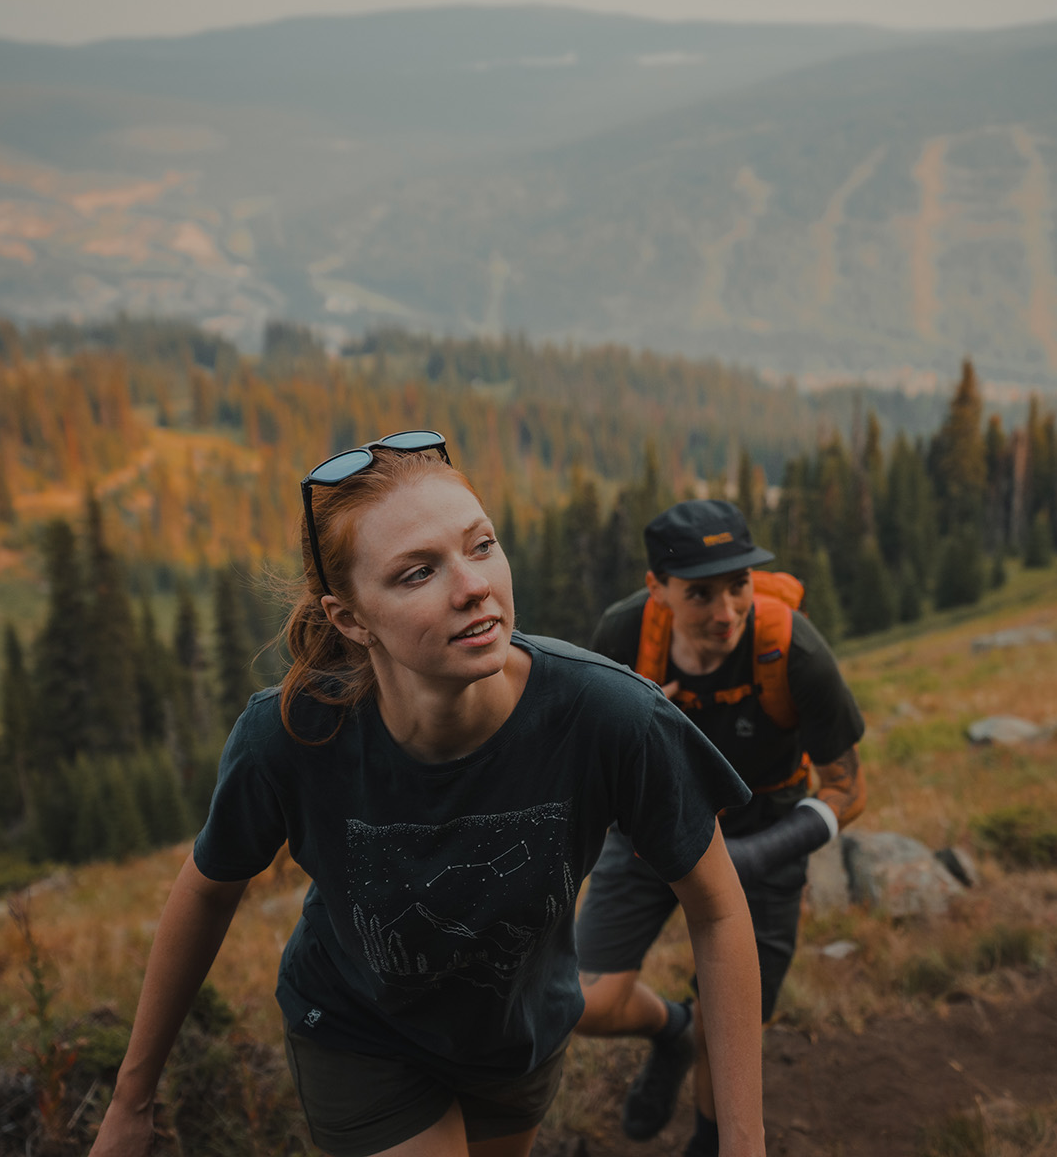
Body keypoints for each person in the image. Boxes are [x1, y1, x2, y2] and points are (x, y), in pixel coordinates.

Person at [89, 433, 767, 1157]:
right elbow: (207, 891)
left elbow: (718, 908)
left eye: (481, 545)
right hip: (358, 1034)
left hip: (518, 1039)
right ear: (351, 618)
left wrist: (743, 1139)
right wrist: (131, 1101)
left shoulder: (611, 717)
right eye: (418, 573)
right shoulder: (291, 735)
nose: (473, 585)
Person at [575, 499, 867, 1156]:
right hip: (651, 822)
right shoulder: (625, 640)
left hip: (767, 825)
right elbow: (586, 756)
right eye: (700, 594)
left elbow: (849, 788)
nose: (726, 612)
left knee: (728, 1024)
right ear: (659, 590)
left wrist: (764, 851)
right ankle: (670, 1032)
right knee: (585, 1003)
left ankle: (708, 1140)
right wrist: (636, 722)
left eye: (738, 586)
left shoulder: (792, 649)